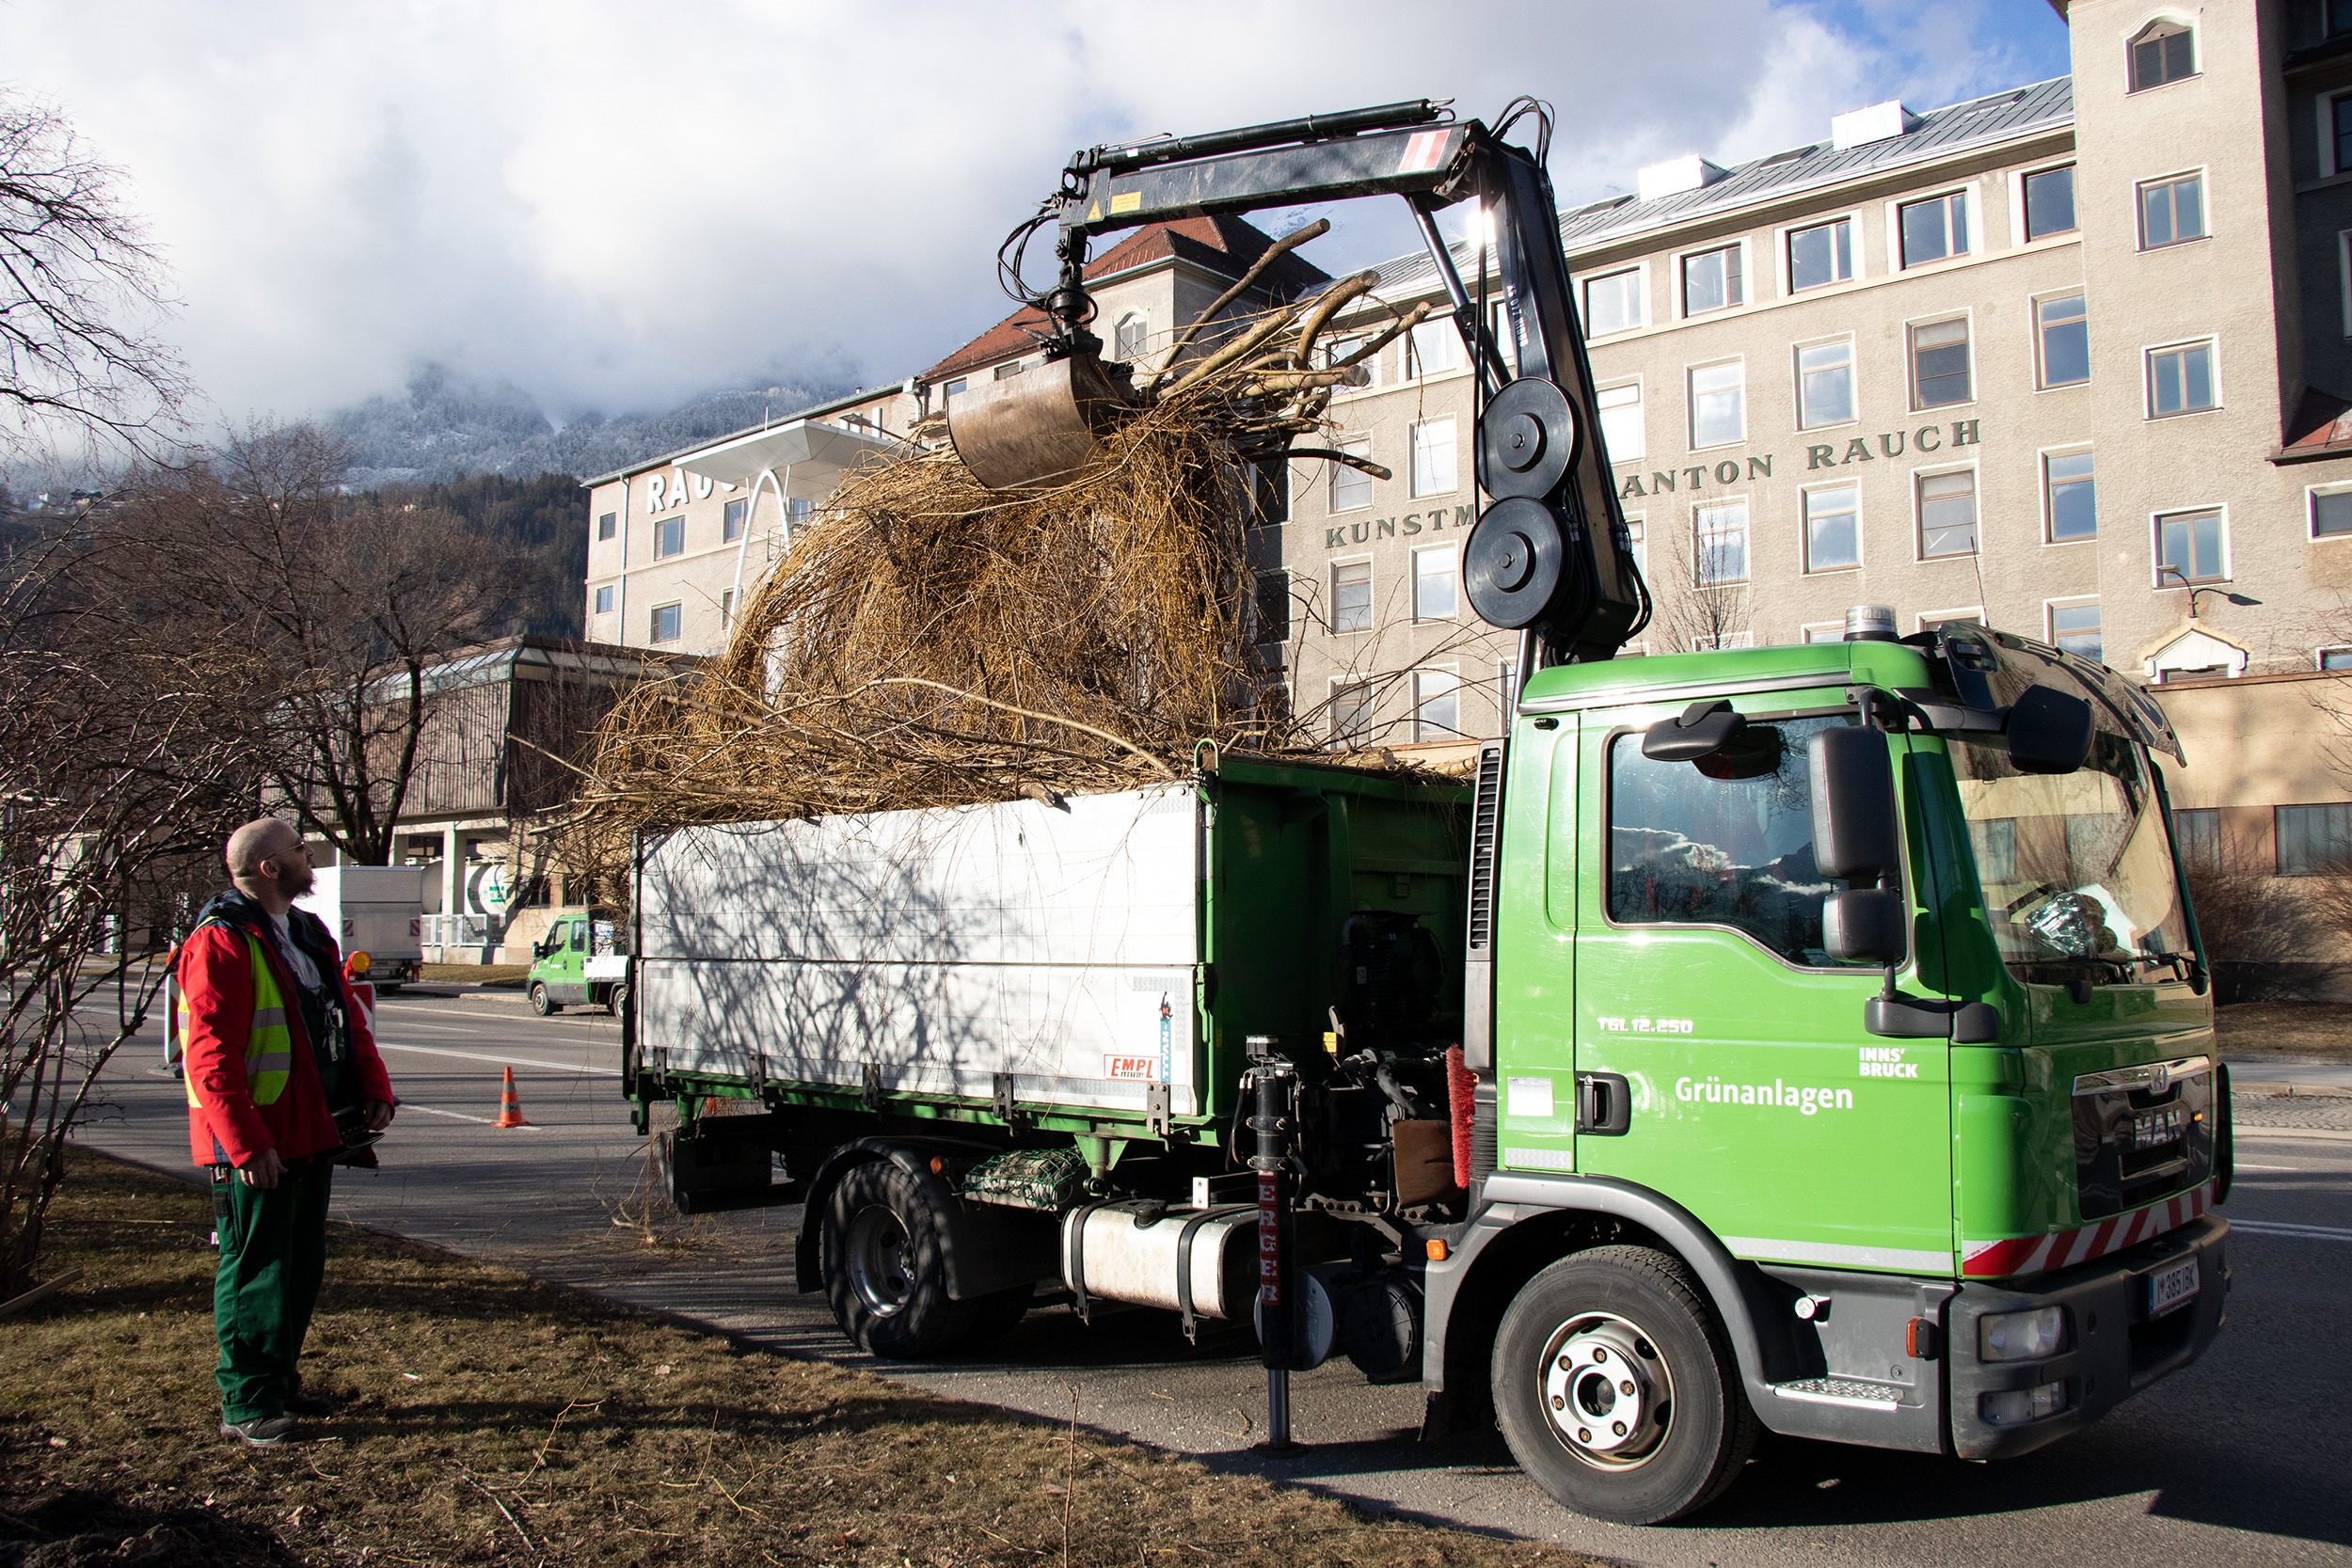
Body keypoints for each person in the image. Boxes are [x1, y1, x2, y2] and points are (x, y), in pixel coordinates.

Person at [175, 818, 395, 1447]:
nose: (310, 855)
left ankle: (277, 1379)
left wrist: (372, 1088)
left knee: (297, 1266)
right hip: (260, 1143)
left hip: (310, 1130)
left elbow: (344, 1015)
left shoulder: (304, 931)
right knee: (255, 1268)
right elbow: (211, 1057)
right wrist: (246, 1145)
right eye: (299, 848)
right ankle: (248, 1401)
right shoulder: (221, 942)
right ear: (269, 868)